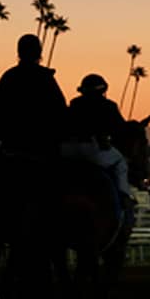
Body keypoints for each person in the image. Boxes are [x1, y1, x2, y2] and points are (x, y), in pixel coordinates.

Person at [60, 73, 132, 206]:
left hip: (67, 150)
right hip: (93, 150)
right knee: (120, 163)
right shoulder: (108, 106)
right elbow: (120, 130)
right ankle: (124, 196)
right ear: (103, 90)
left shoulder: (74, 104)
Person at [0, 34, 66, 159]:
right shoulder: (45, 78)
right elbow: (60, 109)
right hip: (42, 146)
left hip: (11, 143)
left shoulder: (9, 76)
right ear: (39, 52)